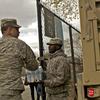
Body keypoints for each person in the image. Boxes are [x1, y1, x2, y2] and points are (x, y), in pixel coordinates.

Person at [0, 18, 38, 100]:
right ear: (9, 29)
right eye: (17, 29)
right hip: (11, 92)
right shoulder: (20, 44)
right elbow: (33, 66)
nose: (19, 32)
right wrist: (22, 62)